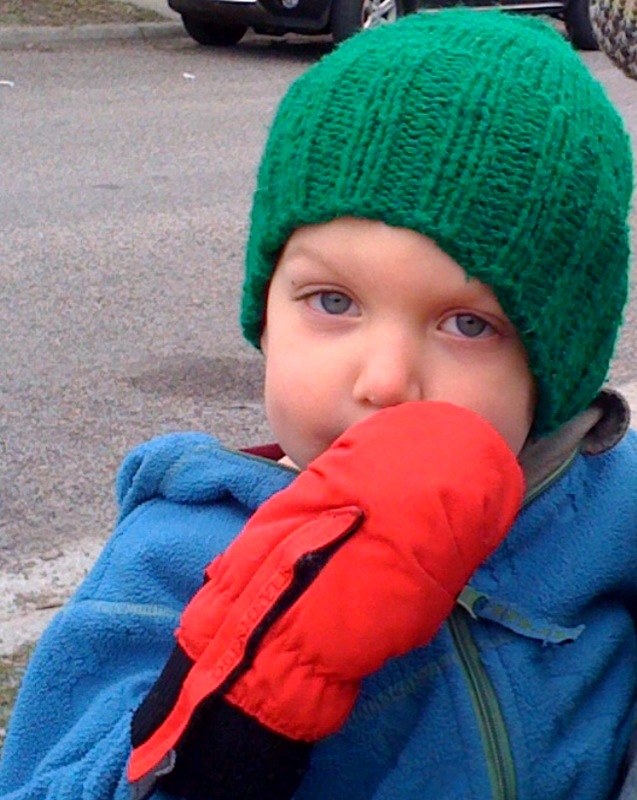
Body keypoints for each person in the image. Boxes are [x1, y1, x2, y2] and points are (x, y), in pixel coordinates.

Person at [0, 9, 635, 800]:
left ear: (555, 369)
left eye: (467, 324)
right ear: (265, 311)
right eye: (333, 301)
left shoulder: (606, 509)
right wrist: (229, 721)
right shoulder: (168, 561)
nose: (384, 381)